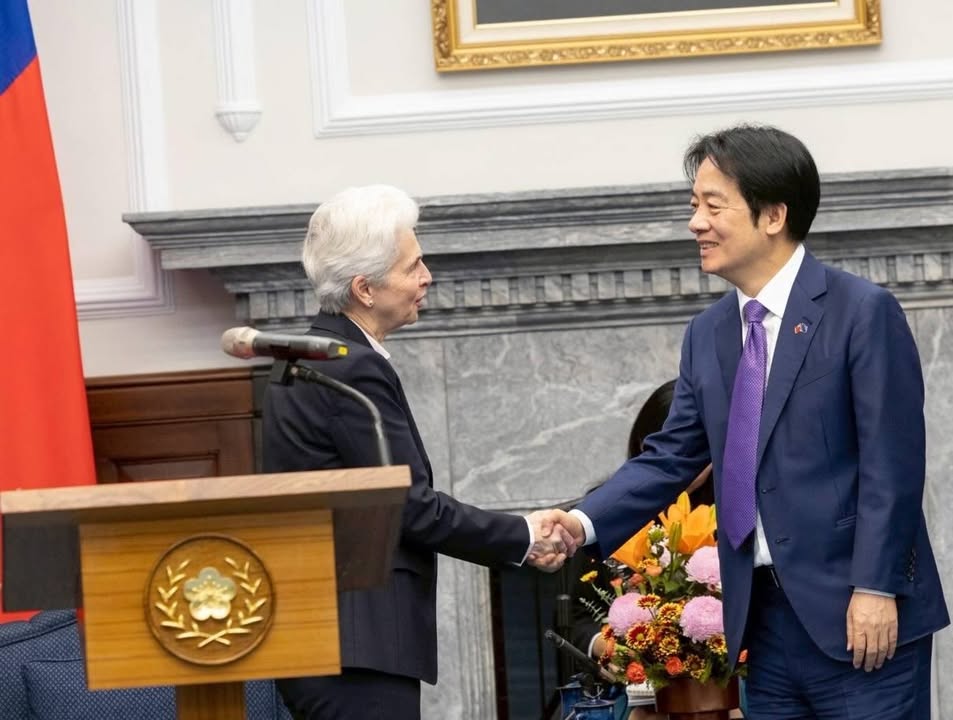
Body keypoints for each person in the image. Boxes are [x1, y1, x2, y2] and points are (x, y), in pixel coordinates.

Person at [543, 124, 949, 718]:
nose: (696, 223)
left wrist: (875, 586)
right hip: (761, 628)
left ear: (774, 215)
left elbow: (893, 465)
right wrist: (581, 522)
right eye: (693, 206)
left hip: (858, 619)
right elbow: (670, 457)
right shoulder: (707, 333)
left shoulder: (862, 312)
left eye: (714, 206)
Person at [261, 185, 571, 720]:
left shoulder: (317, 358)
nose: (427, 277)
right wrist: (521, 535)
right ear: (365, 288)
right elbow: (408, 507)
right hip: (355, 647)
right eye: (413, 266)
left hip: (336, 642)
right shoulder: (348, 367)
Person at [566, 380, 715, 720]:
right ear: (643, 446)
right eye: (674, 451)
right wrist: (610, 649)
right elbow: (577, 620)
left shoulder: (738, 507)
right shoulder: (606, 511)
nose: (687, 464)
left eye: (700, 449)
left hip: (720, 679)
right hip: (635, 683)